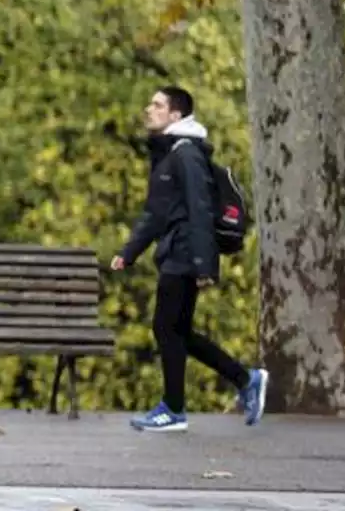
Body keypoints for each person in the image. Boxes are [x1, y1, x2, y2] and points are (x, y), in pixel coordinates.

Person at [111, 85, 268, 432]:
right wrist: (129, 252)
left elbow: (200, 210)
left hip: (184, 253)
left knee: (166, 327)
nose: (148, 109)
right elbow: (155, 214)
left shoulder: (186, 154)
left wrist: (204, 266)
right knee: (178, 330)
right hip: (176, 250)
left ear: (175, 115)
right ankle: (245, 378)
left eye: (157, 105)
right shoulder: (170, 155)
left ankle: (174, 409)